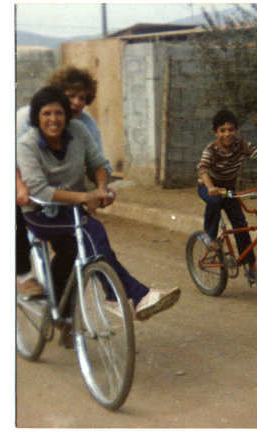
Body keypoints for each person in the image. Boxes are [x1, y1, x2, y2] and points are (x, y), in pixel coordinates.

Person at [17, 86, 180, 324]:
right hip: (39, 213)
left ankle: (62, 316)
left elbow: (97, 163)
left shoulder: (79, 130)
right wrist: (85, 198)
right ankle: (127, 295)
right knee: (92, 232)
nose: (54, 119)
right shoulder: (26, 144)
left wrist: (102, 188)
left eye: (59, 113)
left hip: (70, 210)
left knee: (77, 253)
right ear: (36, 118)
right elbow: (38, 189)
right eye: (47, 114)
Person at [16, 66, 111, 299]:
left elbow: (95, 164)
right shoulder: (26, 118)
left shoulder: (84, 125)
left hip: (59, 194)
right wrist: (19, 186)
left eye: (83, 98)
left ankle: (59, 305)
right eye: (71, 96)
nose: (78, 103)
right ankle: (23, 275)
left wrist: (100, 191)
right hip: (24, 181)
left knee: (73, 247)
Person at [196, 109, 257, 288]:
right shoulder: (211, 150)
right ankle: (207, 234)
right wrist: (210, 187)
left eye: (231, 129)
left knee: (241, 226)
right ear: (216, 133)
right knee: (215, 201)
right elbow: (202, 169)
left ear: (236, 130)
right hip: (208, 188)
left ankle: (252, 269)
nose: (227, 134)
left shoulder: (240, 145)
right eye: (222, 130)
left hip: (230, 190)